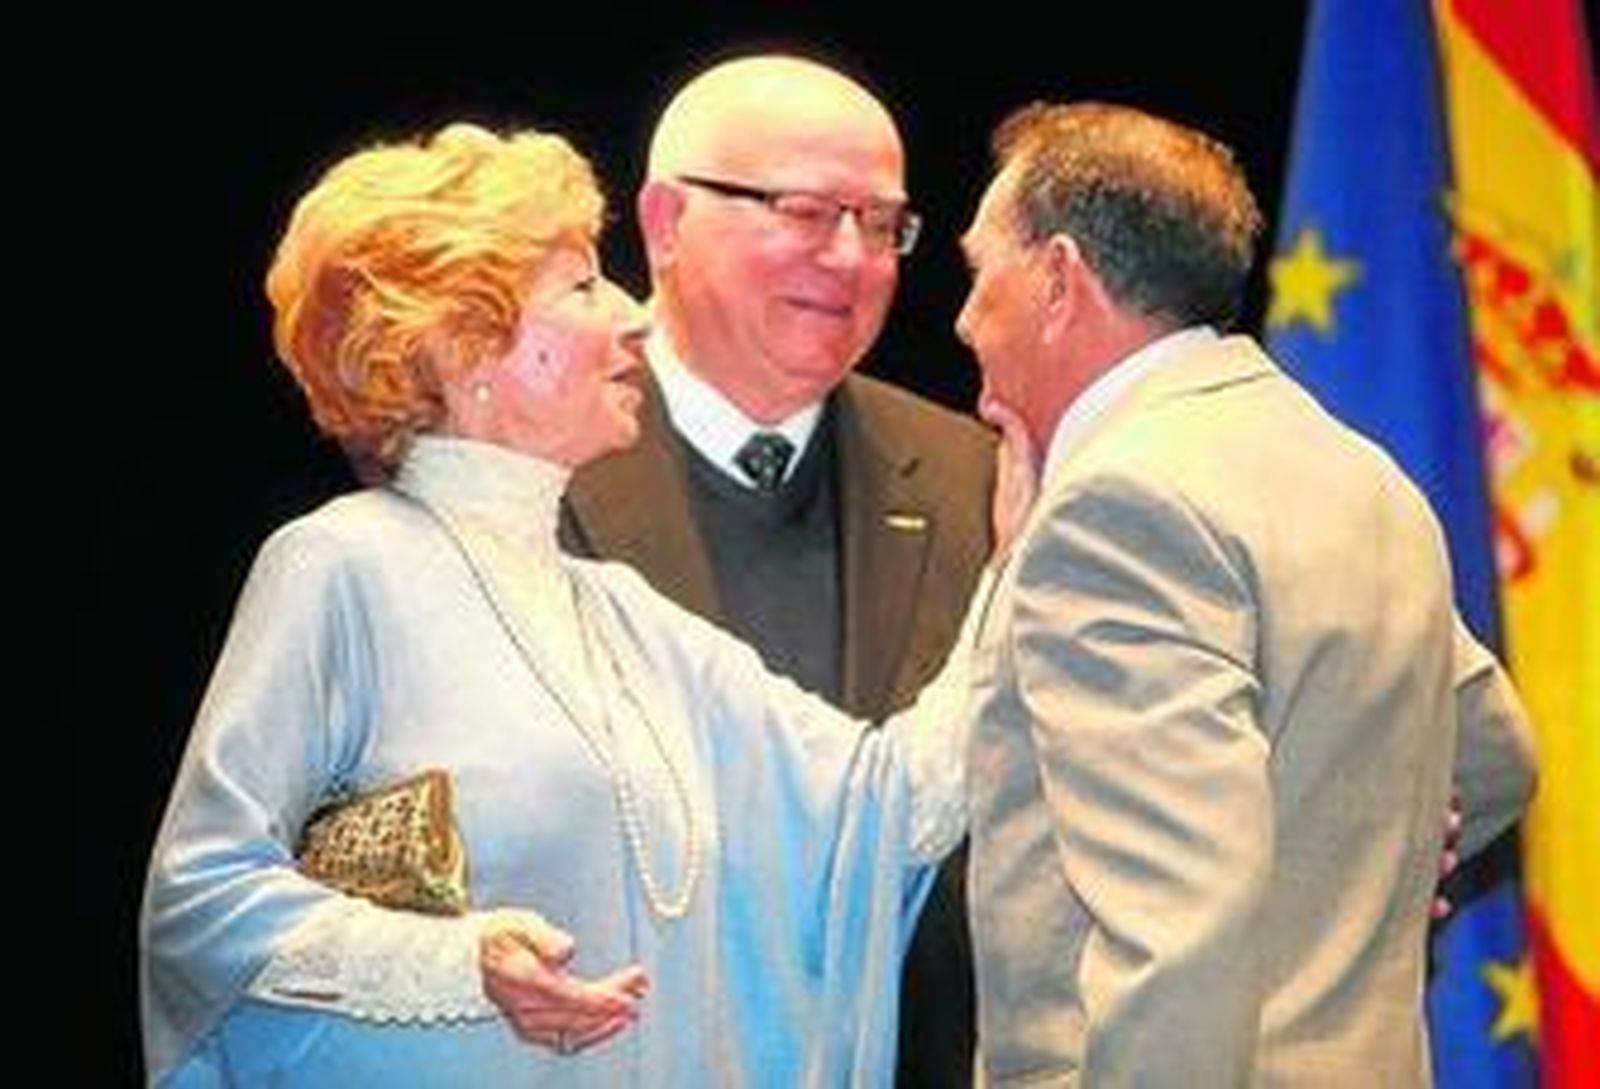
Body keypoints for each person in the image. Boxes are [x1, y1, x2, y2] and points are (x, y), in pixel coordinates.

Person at [140, 120, 988, 1087]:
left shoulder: (621, 611)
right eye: (585, 286)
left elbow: (895, 804)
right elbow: (201, 899)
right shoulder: (342, 564)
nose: (632, 316)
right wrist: (458, 962)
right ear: (466, 346)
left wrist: (1033, 535)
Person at [953, 101, 1537, 1084]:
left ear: (1058, 278)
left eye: (979, 275)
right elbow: (1494, 756)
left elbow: (1178, 931)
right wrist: (1353, 875)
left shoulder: (1116, 502)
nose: (964, 320)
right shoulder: (1358, 473)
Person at [562, 55, 992, 1087]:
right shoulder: (530, 474)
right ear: (665, 222)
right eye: (804, 211)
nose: (849, 257)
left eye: (882, 224)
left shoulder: (983, 483)